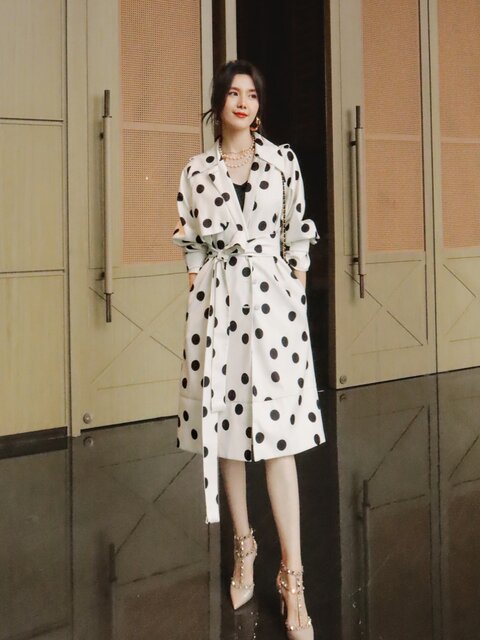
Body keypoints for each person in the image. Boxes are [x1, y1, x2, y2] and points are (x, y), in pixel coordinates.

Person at [172, 59, 326, 639]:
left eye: (252, 94)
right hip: (220, 313)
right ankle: (244, 549)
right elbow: (191, 241)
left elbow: (297, 233)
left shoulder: (282, 161)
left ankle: (293, 578)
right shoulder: (197, 171)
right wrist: (200, 288)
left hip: (276, 312)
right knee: (228, 437)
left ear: (259, 105)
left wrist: (295, 292)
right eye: (234, 93)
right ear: (219, 102)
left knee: (281, 444)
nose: (243, 101)